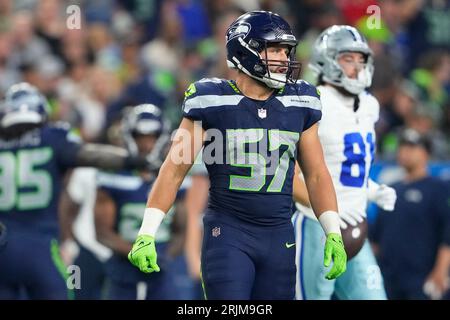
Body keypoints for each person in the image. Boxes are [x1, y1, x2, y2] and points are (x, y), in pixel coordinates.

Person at [128, 11, 347, 300]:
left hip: (279, 235)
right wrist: (147, 231)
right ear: (246, 50)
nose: (283, 58)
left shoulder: (301, 101)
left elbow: (316, 173)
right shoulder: (210, 99)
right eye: (274, 49)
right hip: (229, 234)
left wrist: (333, 230)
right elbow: (173, 170)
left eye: (286, 50)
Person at [0, 83, 154, 299]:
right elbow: (90, 155)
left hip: (4, 248)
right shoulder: (53, 137)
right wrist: (134, 161)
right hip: (41, 245)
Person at [292, 25, 397, 300]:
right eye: (347, 59)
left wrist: (370, 189)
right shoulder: (312, 102)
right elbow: (285, 175)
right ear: (328, 60)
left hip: (357, 228)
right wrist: (328, 214)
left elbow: (344, 167)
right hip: (317, 228)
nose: (356, 67)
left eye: (360, 60)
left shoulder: (369, 105)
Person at [94, 104, 185, 300]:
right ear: (129, 136)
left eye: (152, 136)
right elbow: (102, 232)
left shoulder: (177, 177)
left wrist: (167, 255)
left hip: (162, 267)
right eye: (140, 136)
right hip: (123, 268)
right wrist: (135, 252)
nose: (146, 144)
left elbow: (181, 231)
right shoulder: (113, 178)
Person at [370, 128, 450, 300]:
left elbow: (447, 235)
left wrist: (441, 270)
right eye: (402, 147)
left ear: (426, 153)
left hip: (422, 278)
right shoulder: (391, 189)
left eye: (412, 147)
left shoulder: (439, 189)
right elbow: (377, 237)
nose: (405, 152)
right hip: (389, 277)